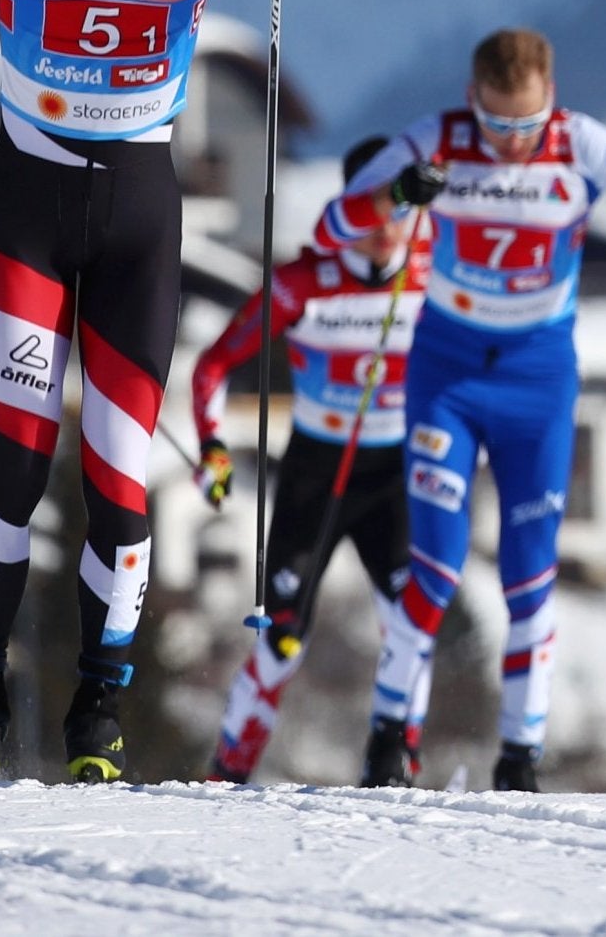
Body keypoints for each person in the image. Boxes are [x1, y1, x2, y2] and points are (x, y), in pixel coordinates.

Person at [0, 0, 378, 782]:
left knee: (120, 473)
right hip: (24, 207)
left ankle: (99, 706)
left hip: (139, 215)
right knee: (16, 465)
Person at [317, 29, 606, 792]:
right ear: (475, 102)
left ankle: (520, 755)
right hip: (448, 378)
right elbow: (338, 221)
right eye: (497, 126)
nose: (509, 143)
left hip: (537, 385)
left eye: (525, 128)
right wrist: (398, 197)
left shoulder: (581, 143)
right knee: (432, 568)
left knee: (531, 577)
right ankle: (389, 737)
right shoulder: (438, 138)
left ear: (549, 103)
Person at [195, 135, 431, 783]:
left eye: (399, 212)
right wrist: (212, 445)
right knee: (281, 642)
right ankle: (227, 773)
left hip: (397, 478)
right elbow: (215, 363)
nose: (386, 228)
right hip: (315, 476)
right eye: (370, 210)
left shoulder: (438, 277)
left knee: (411, 623)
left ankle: (395, 764)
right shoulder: (303, 283)